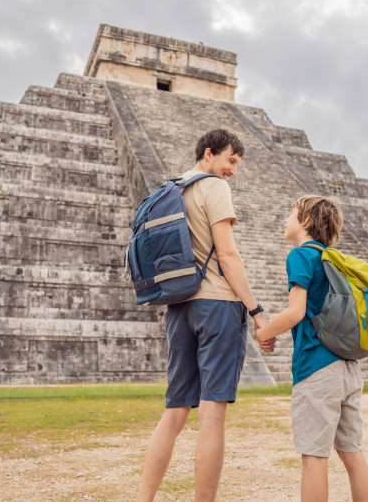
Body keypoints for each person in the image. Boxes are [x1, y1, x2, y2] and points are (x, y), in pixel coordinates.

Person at [138, 128, 271, 502]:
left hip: (179, 308)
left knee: (174, 412)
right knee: (212, 414)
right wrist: (256, 311)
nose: (232, 170)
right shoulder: (214, 187)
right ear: (209, 154)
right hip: (217, 307)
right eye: (230, 160)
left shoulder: (173, 189)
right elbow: (227, 256)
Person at [255, 195, 368, 502]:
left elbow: (295, 312)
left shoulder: (301, 255)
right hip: (348, 368)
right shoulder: (333, 259)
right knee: (353, 455)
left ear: (305, 221)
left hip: (317, 370)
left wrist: (262, 333)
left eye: (291, 213)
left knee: (314, 458)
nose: (286, 219)